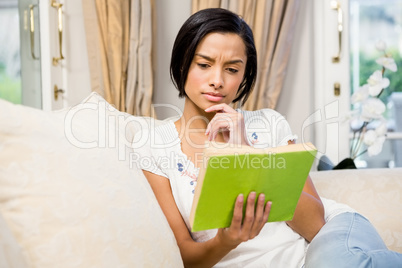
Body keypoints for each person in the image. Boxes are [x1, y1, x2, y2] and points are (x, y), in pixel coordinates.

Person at [133, 8, 402, 268]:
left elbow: (315, 225)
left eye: (232, 69)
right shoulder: (154, 145)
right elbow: (188, 258)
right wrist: (226, 241)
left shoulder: (268, 123)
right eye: (204, 64)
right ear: (182, 64)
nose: (217, 80)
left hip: (330, 240)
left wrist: (248, 154)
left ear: (244, 76)